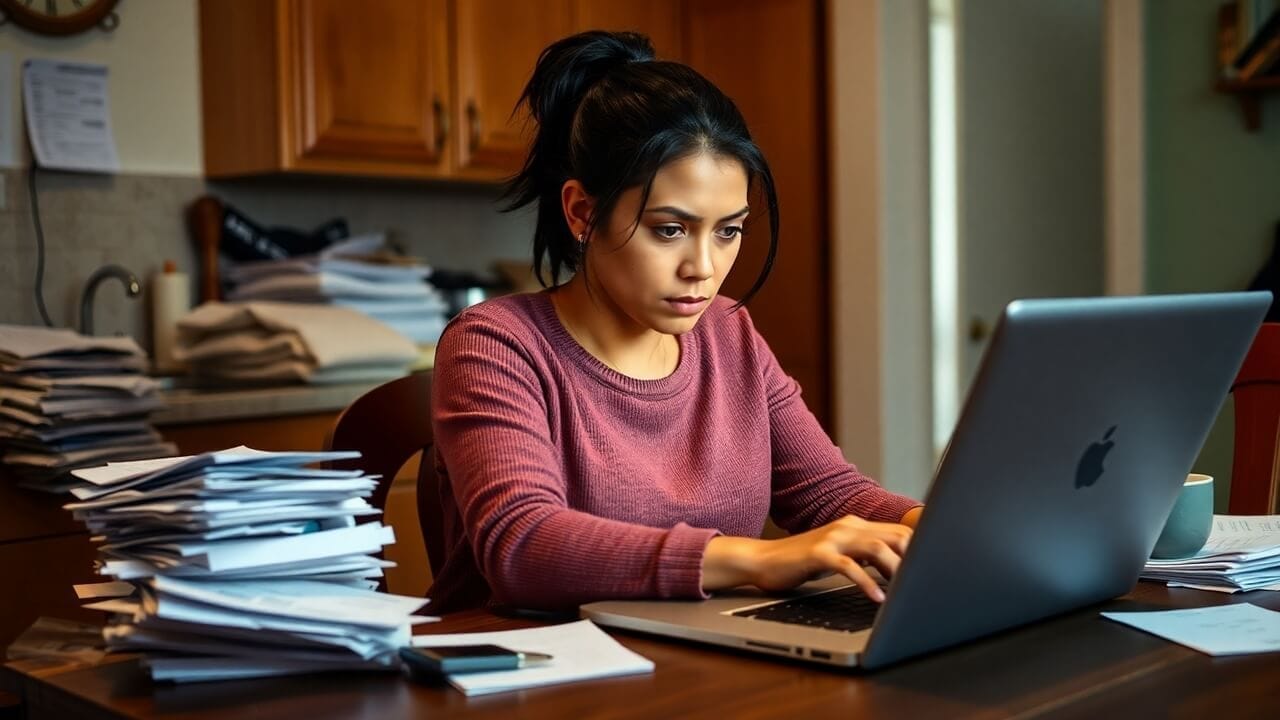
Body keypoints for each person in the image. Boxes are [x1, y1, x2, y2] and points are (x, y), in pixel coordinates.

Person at [428, 30, 923, 614]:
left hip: (694, 662)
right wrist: (760, 559)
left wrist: (942, 527)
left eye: (728, 230)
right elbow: (524, 545)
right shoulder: (495, 344)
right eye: (669, 229)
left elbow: (827, 494)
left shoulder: (728, 330)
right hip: (529, 679)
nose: (704, 268)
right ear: (583, 213)